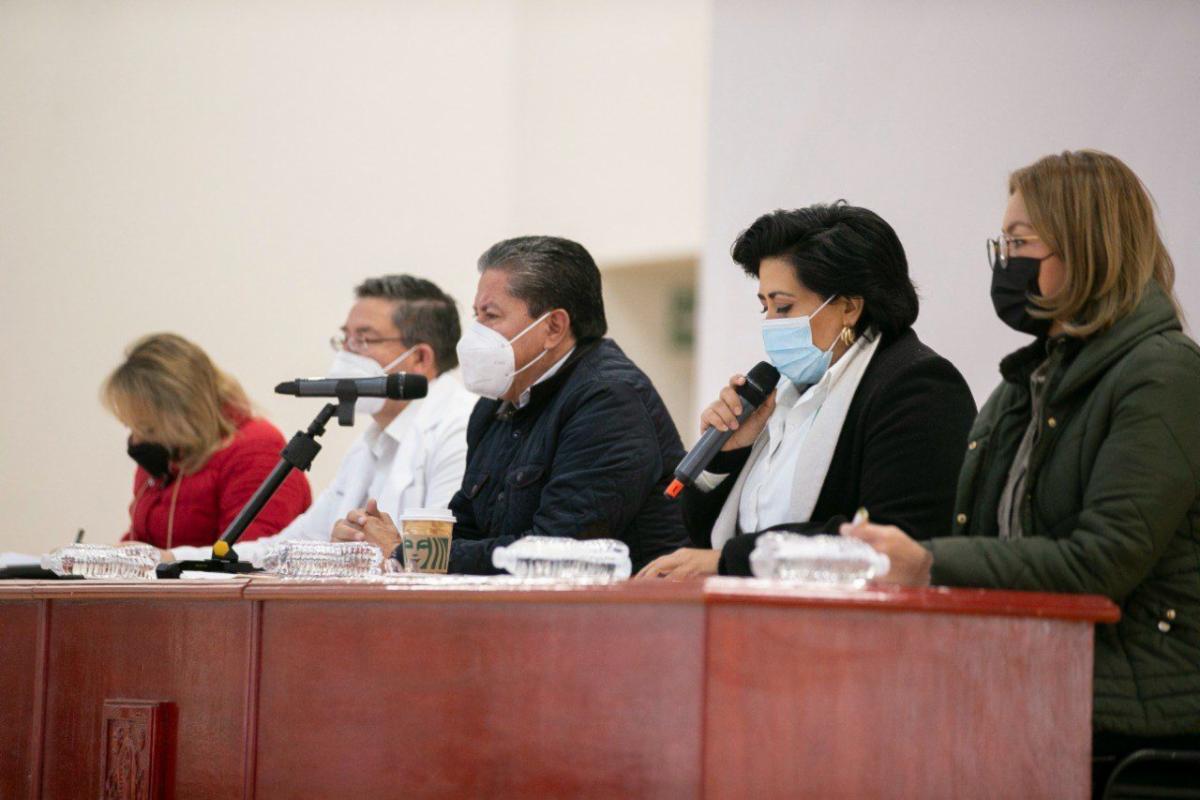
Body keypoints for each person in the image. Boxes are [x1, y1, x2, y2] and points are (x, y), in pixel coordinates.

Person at [843, 150, 1200, 786]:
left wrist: (928, 563)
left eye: (1020, 242)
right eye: (1002, 243)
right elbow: (991, 539)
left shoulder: (1163, 373)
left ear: (1087, 247)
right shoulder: (1023, 386)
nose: (1005, 262)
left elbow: (1104, 560)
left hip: (1128, 720)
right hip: (1028, 690)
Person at [637, 203, 976, 579]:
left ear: (849, 308)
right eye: (764, 307)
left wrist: (732, 562)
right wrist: (727, 456)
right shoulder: (783, 392)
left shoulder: (917, 387)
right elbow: (703, 538)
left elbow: (888, 543)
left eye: (783, 307)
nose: (770, 323)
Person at [335, 236, 689, 573]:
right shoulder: (497, 404)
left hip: (622, 611)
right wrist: (378, 540)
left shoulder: (608, 400)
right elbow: (467, 528)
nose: (476, 332)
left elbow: (556, 551)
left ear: (553, 327)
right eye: (477, 315)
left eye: (490, 316)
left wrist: (408, 553)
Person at [168, 275, 475, 565]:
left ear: (420, 358)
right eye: (345, 338)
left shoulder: (461, 429)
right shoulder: (369, 444)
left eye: (363, 340)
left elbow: (439, 560)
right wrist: (170, 559)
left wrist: (371, 553)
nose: (346, 354)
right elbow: (289, 549)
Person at [103, 333, 311, 550]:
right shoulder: (168, 452)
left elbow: (249, 555)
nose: (137, 440)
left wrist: (164, 560)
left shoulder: (257, 450)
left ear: (186, 413)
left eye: (149, 429)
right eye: (132, 428)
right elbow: (143, 541)